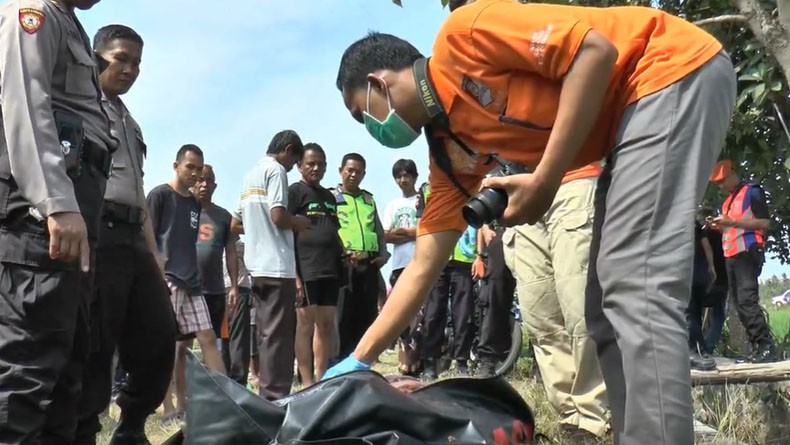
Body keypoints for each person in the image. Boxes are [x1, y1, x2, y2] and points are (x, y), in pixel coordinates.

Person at [327, 1, 736, 443]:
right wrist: (361, 359)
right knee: (603, 309)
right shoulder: (451, 150)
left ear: (376, 83)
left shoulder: (463, 35)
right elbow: (425, 263)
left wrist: (546, 179)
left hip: (667, 70)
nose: (369, 126)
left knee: (634, 281)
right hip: (627, 122)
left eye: (361, 113)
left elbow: (593, 52)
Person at [0, 0, 117, 443]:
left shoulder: (71, 24)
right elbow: (25, 103)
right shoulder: (33, 13)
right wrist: (55, 200)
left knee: (67, 367)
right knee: (27, 370)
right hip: (40, 215)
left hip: (75, 204)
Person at [74, 24, 177, 445]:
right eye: (122, 60)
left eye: (137, 63)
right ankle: (83, 430)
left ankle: (132, 425)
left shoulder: (130, 122)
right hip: (99, 231)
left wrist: (155, 255)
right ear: (97, 57)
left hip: (134, 237)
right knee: (97, 339)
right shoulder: (80, 104)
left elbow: (136, 190)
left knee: (159, 332)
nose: (131, 70)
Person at [502, 163, 610, 442]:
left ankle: (594, 415)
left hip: (572, 177)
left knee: (582, 313)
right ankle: (570, 414)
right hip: (519, 193)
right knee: (541, 320)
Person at [147, 145, 226, 421]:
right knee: (164, 346)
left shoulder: (194, 204)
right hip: (167, 280)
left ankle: (225, 400)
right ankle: (167, 408)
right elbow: (148, 238)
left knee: (207, 338)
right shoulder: (159, 195)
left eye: (199, 169)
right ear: (176, 166)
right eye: (189, 167)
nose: (194, 174)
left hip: (193, 283)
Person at [232, 130, 308, 400]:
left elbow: (234, 223)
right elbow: (278, 215)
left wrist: (256, 227)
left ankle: (267, 391)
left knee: (266, 334)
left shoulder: (249, 175)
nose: (292, 167)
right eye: (294, 161)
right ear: (287, 150)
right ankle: (275, 398)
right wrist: (299, 222)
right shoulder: (276, 171)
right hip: (276, 266)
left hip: (256, 266)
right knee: (279, 337)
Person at [708, 160, 777, 363]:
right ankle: (758, 349)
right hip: (731, 255)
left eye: (722, 181)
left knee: (747, 301)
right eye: (718, 184)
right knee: (739, 304)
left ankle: (766, 347)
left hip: (747, 253)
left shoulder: (752, 191)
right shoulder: (727, 202)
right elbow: (730, 228)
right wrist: (719, 227)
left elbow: (765, 222)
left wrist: (732, 222)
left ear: (732, 174)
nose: (721, 186)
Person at [289, 143, 344, 385]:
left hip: (330, 269)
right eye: (311, 163)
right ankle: (306, 381)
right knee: (305, 325)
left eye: (320, 164)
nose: (316, 168)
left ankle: (322, 380)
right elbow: (286, 234)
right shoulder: (294, 192)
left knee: (326, 325)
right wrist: (296, 276)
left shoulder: (330, 196)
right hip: (306, 268)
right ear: (300, 165)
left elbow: (332, 229)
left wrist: (344, 251)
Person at [330, 154, 389, 359]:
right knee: (342, 315)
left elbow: (379, 230)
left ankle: (363, 358)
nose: (354, 175)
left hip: (369, 263)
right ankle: (340, 359)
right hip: (345, 265)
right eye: (350, 170)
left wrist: (384, 253)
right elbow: (328, 230)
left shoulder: (368, 199)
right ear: (341, 171)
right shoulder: (331, 198)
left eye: (359, 172)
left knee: (367, 314)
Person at [194, 164, 239, 346]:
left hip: (214, 289)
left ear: (215, 186)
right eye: (200, 179)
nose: (204, 184)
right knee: (182, 344)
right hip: (186, 288)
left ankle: (212, 375)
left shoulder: (223, 216)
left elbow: (231, 252)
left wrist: (234, 286)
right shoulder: (181, 210)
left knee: (214, 342)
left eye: (209, 180)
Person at [221, 239, 253, 386]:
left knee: (225, 340)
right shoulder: (240, 246)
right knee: (238, 341)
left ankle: (226, 381)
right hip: (237, 291)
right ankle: (238, 383)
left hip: (220, 291)